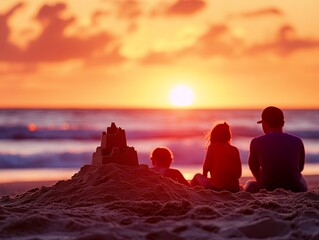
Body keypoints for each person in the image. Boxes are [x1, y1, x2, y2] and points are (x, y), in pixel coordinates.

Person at [245, 106, 308, 193]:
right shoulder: (297, 141)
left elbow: (253, 166)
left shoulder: (256, 142)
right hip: (294, 188)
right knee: (303, 181)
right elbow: (300, 168)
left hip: (267, 188)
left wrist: (263, 179)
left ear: (265, 124)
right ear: (283, 123)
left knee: (249, 184)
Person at [191, 122, 242, 192]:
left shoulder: (212, 147)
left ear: (214, 135)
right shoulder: (235, 150)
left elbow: (205, 169)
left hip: (217, 188)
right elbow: (238, 174)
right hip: (234, 189)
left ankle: (197, 196)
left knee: (197, 176)